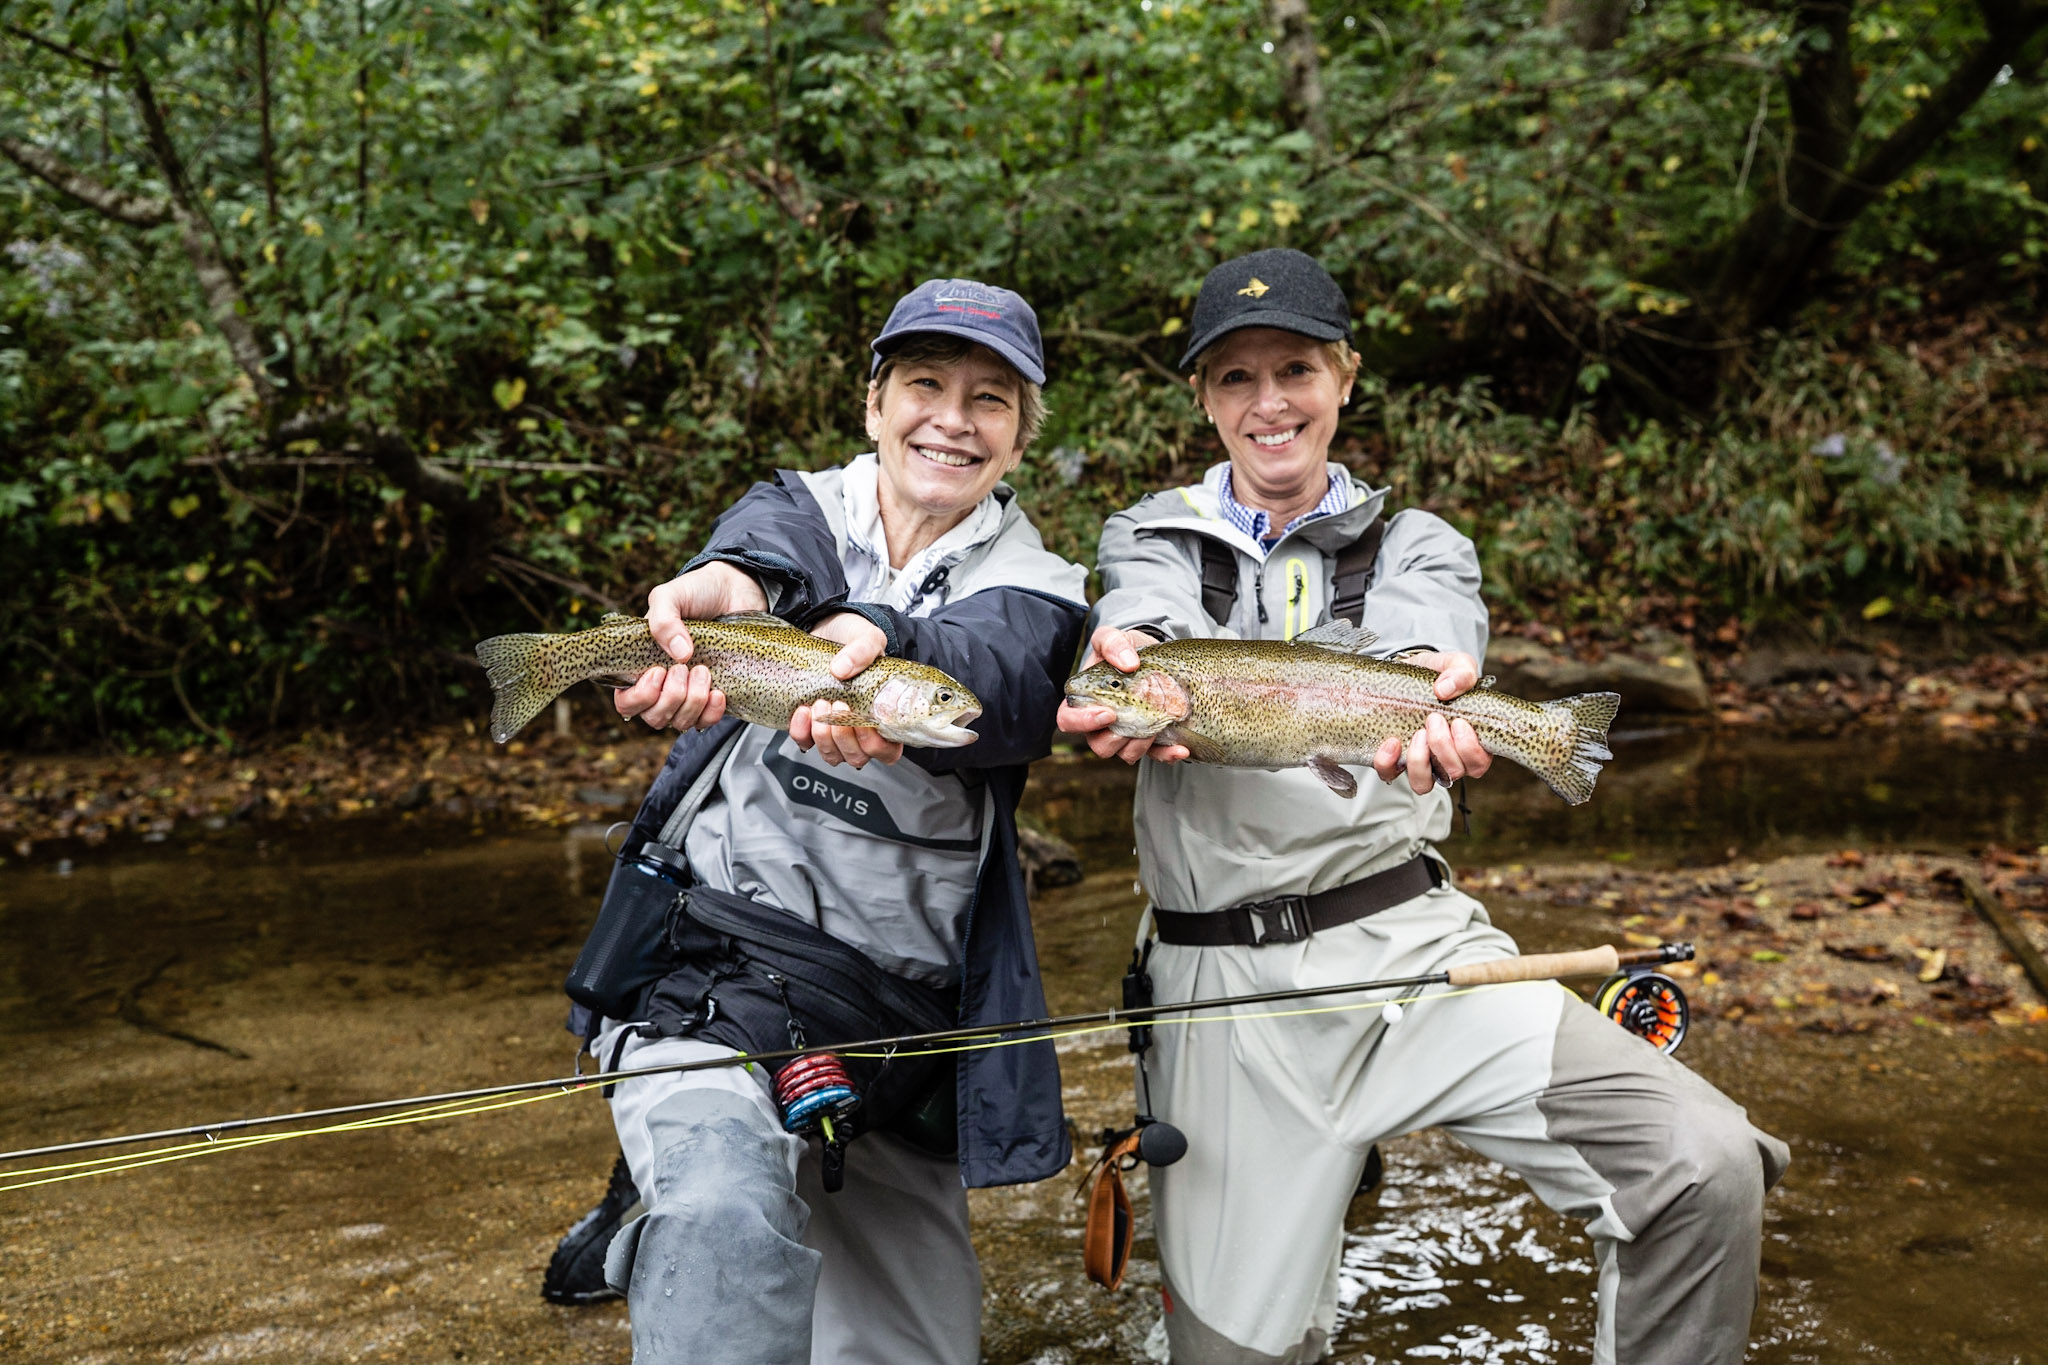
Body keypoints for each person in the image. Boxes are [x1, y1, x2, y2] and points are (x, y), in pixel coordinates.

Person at [1056, 248, 1789, 1365]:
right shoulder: (1145, 533)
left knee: (1702, 1161)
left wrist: (1437, 697)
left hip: (1419, 959)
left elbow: (1425, 637)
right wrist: (1132, 661)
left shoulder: (1420, 541)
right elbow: (1143, 615)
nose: (1269, 403)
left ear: (1344, 378)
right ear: (1201, 398)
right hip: (1220, 998)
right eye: (1235, 377)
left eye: (1295, 368)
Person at [555, 278, 1088, 1364]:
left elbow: (995, 666)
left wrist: (878, 640)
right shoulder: (794, 507)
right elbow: (763, 553)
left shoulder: (1041, 587)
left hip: (899, 1019)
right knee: (720, 1223)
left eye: (988, 400)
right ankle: (680, 1188)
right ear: (873, 404)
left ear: (1018, 437)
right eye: (924, 385)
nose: (950, 417)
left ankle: (670, 1197)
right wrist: (722, 583)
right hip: (713, 972)